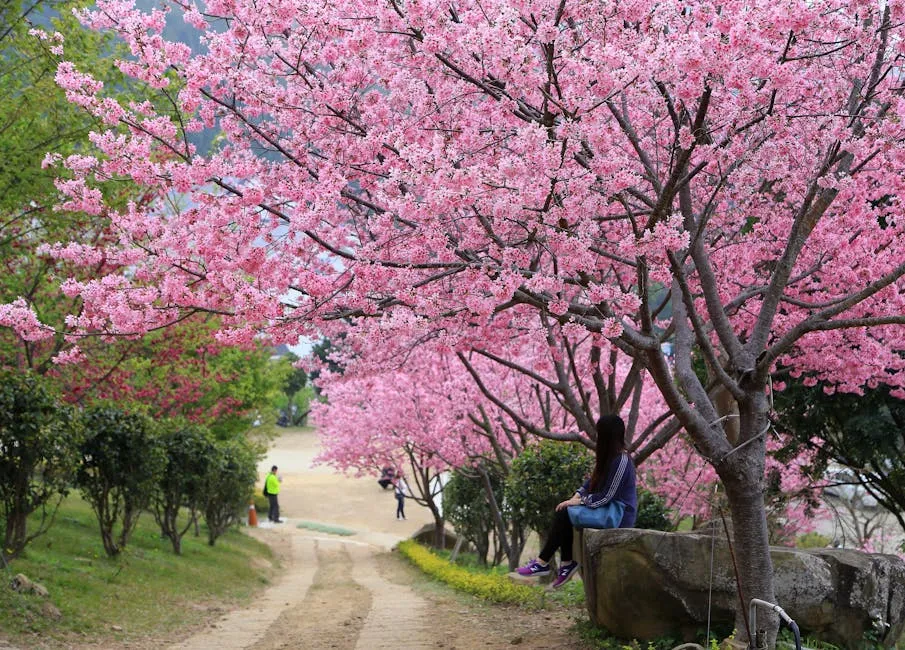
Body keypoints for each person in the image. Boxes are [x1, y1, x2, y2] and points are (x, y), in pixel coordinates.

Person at [516, 414, 637, 589]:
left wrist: (580, 502)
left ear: (606, 435)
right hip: (607, 509)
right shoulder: (609, 458)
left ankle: (545, 563)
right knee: (564, 511)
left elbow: (607, 495)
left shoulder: (622, 461)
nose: (596, 436)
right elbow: (591, 483)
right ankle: (565, 564)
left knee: (566, 512)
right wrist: (577, 496)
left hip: (618, 514)